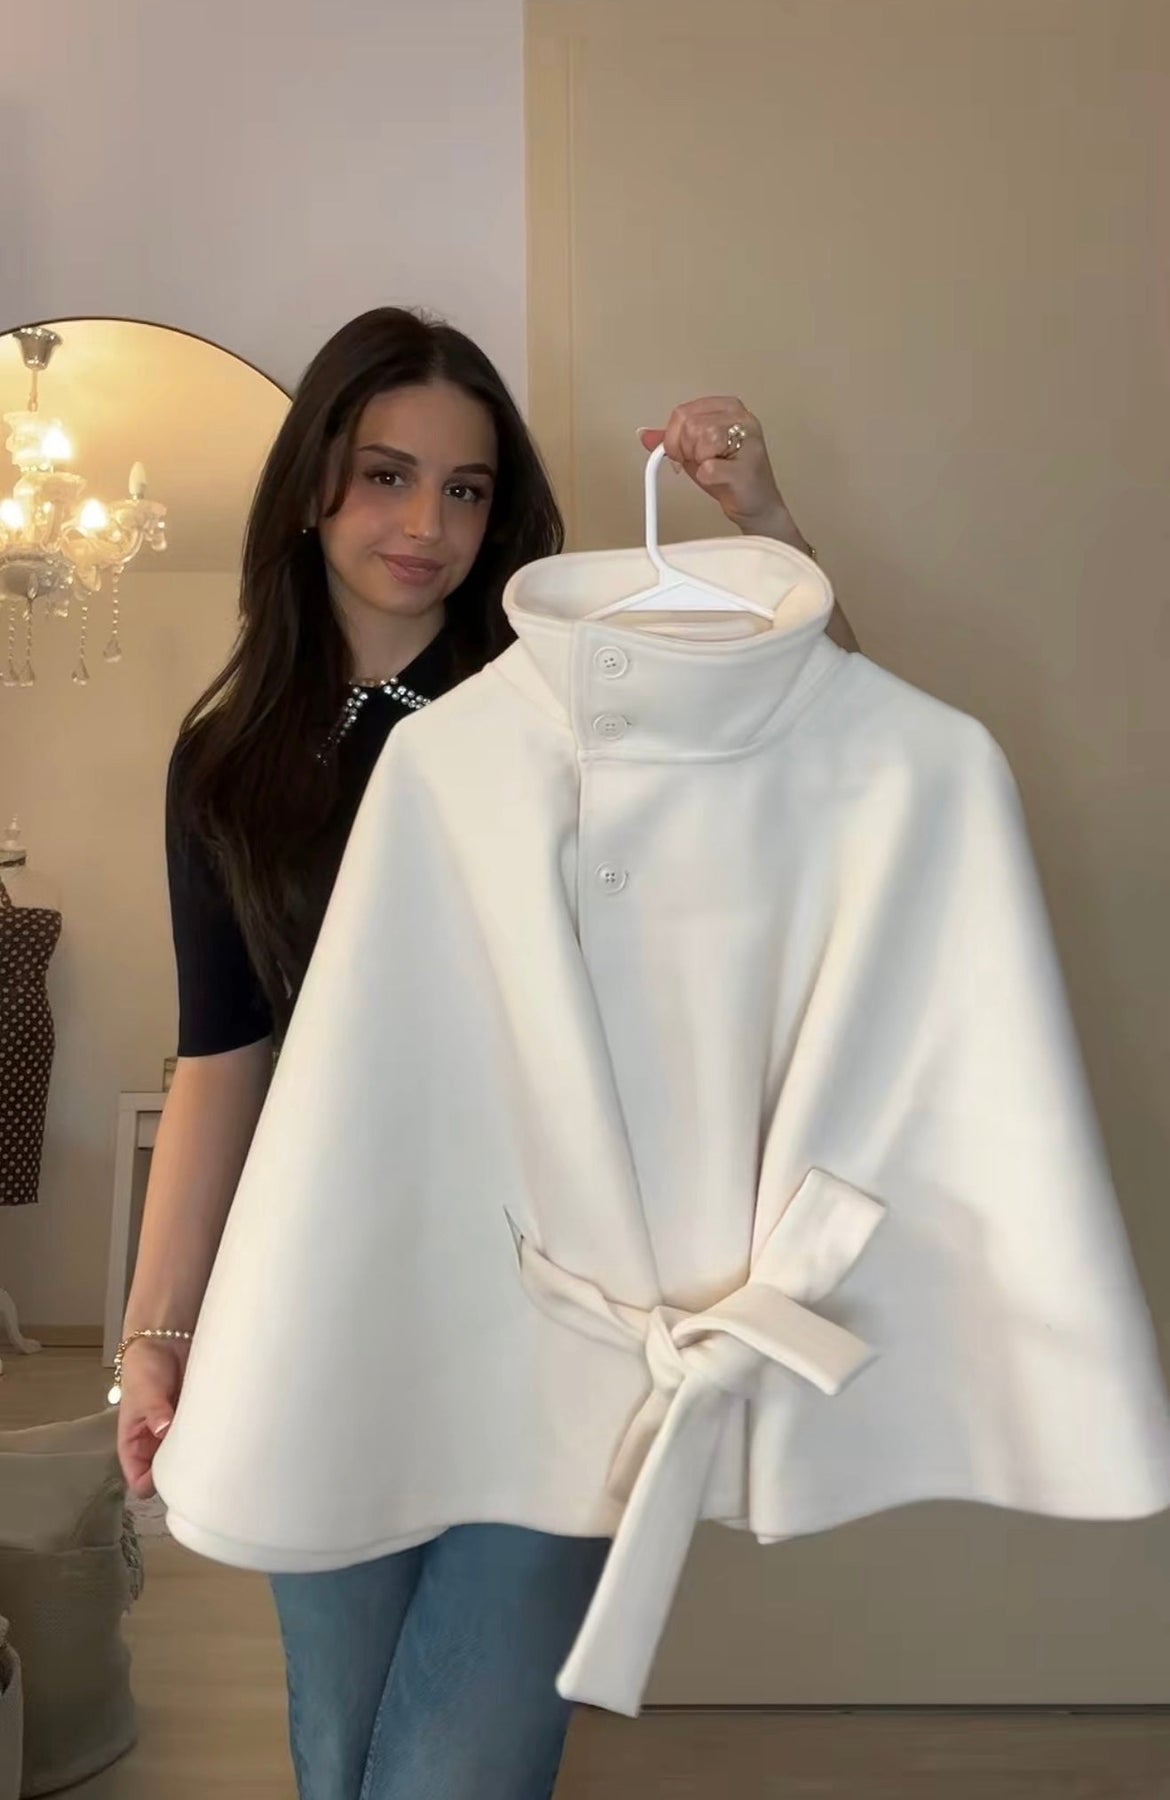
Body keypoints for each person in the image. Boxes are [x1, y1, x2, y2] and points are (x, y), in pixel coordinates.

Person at [115, 306, 858, 1800]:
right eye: (387, 476)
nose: (426, 526)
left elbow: (831, 739)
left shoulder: (572, 695)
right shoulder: (228, 760)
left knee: (457, 1766)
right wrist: (157, 1330)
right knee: (341, 1749)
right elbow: (223, 1056)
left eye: (463, 489)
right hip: (326, 1286)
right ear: (311, 487)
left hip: (560, 1292)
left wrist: (765, 523)